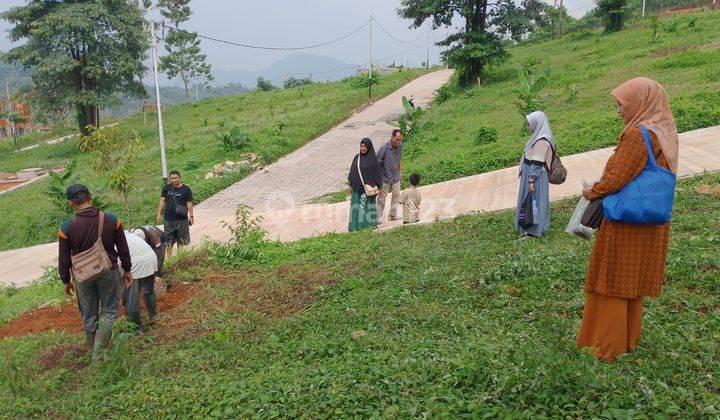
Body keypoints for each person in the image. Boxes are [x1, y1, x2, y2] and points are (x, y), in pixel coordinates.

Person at [577, 77, 679, 362]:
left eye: (622, 104)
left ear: (639, 103)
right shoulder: (664, 130)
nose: (619, 110)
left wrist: (590, 191)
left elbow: (616, 180)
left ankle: (606, 347)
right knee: (631, 283)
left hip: (626, 222)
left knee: (611, 280)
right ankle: (628, 340)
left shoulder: (637, 134)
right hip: (649, 220)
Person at [58, 184, 132, 361]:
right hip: (108, 271)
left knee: (89, 314)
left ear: (70, 203)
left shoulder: (66, 227)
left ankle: (95, 352)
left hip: (82, 277)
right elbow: (123, 247)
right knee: (109, 311)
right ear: (90, 197)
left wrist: (66, 280)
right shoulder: (112, 219)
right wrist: (128, 269)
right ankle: (98, 357)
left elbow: (64, 258)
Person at [515, 111, 555, 238]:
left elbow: (537, 162)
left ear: (537, 124)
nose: (528, 127)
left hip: (535, 174)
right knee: (532, 201)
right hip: (531, 172)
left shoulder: (541, 141)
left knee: (535, 201)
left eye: (529, 124)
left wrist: (531, 180)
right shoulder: (537, 137)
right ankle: (531, 226)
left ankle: (534, 231)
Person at [121, 231, 159, 332]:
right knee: (148, 292)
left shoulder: (114, 241)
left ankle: (135, 330)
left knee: (131, 300)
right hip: (151, 258)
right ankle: (153, 317)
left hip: (136, 264)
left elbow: (120, 267)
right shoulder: (129, 235)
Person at [347, 138, 383, 231]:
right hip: (357, 189)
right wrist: (350, 185)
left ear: (369, 147)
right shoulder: (357, 158)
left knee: (367, 208)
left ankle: (368, 226)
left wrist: (380, 187)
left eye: (365, 146)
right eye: (361, 146)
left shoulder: (373, 160)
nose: (362, 148)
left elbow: (377, 174)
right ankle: (356, 227)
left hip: (368, 190)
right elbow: (352, 172)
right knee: (357, 208)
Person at [156, 170, 194, 258]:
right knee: (168, 241)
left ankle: (179, 258)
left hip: (182, 219)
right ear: (170, 179)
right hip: (169, 220)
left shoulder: (186, 189)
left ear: (179, 178)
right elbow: (162, 201)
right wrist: (159, 213)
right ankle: (170, 259)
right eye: (172, 178)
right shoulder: (166, 188)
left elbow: (189, 203)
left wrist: (191, 216)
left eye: (176, 178)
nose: (174, 180)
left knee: (181, 241)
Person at [376, 129, 404, 223]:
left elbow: (399, 160)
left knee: (396, 196)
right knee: (382, 199)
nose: (399, 142)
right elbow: (377, 164)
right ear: (391, 137)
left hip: (395, 176)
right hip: (384, 177)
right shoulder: (384, 148)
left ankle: (392, 215)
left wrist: (400, 173)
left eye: (400, 140)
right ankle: (378, 217)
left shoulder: (400, 147)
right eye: (397, 139)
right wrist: (377, 180)